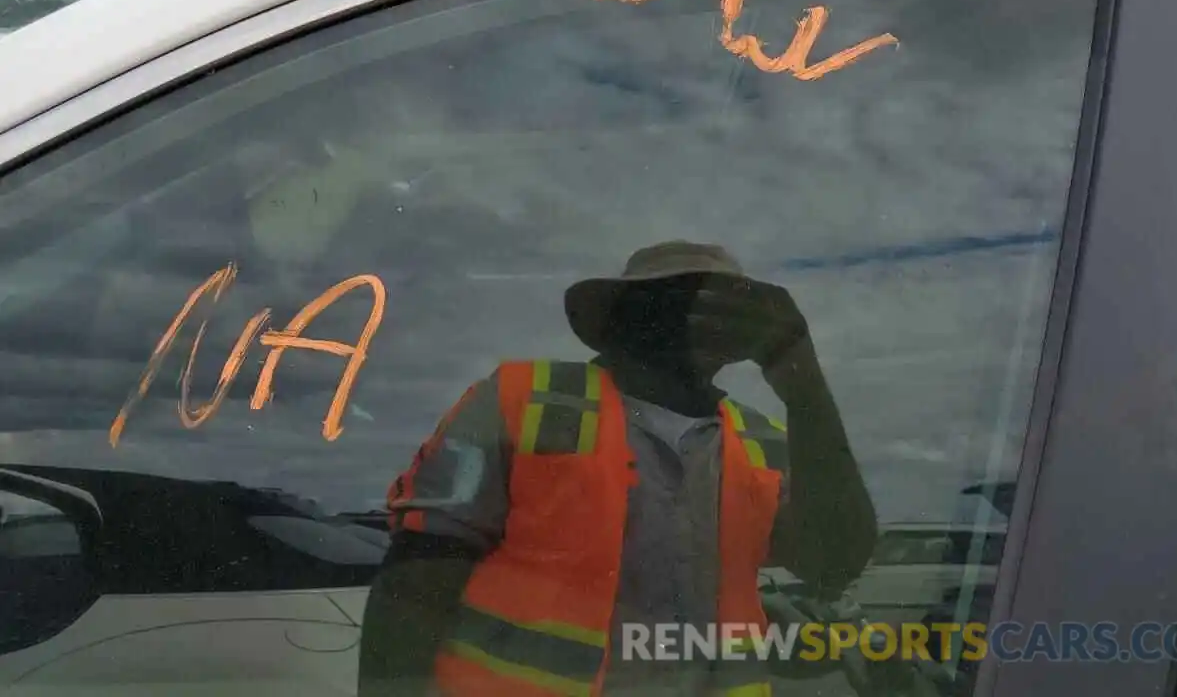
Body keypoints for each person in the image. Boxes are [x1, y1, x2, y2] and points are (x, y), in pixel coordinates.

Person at [358, 241, 878, 696]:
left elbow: (835, 561)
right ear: (622, 319)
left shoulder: (762, 439)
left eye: (711, 306)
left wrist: (802, 383)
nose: (688, 316)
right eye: (669, 297)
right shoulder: (518, 399)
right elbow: (419, 575)